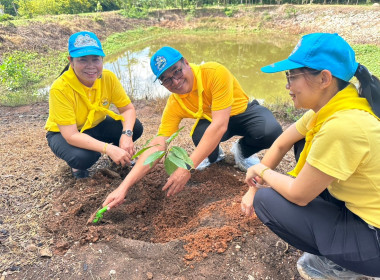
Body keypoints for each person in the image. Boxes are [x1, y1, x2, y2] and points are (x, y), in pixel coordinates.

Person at [241, 33, 380, 278]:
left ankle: (341, 266)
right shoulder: (337, 105)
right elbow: (282, 143)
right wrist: (252, 187)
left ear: (324, 78)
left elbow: (299, 195)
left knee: (268, 200)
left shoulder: (342, 125)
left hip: (375, 237)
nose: (287, 86)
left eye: (292, 77)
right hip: (367, 208)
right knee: (304, 143)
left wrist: (260, 172)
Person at [102, 46, 282, 208]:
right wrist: (123, 187)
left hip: (241, 111)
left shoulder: (214, 72)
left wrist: (187, 167)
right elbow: (158, 143)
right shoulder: (174, 103)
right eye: (167, 80)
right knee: (200, 135)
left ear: (186, 63)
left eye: (177, 72)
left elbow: (220, 125)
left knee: (270, 131)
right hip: (213, 119)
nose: (176, 81)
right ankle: (214, 156)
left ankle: (242, 150)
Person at [45, 31, 143, 179]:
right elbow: (71, 135)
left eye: (95, 59)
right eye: (83, 60)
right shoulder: (60, 89)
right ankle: (78, 167)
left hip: (95, 124)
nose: (91, 66)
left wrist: (126, 135)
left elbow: (127, 109)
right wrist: (107, 148)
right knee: (84, 157)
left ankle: (118, 155)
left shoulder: (108, 78)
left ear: (102, 60)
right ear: (71, 61)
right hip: (64, 133)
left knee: (135, 127)